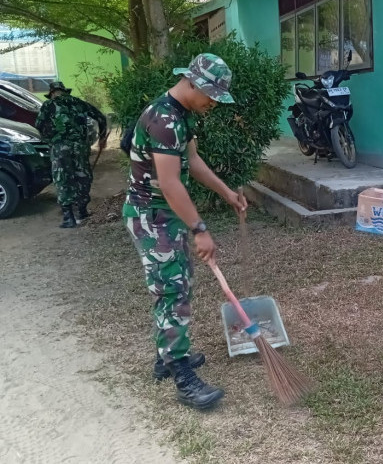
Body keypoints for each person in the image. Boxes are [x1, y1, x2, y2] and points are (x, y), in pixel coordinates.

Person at [123, 53, 247, 410]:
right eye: (211, 95)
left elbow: (191, 163)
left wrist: (227, 194)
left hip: (165, 213)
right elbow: (169, 182)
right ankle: (181, 375)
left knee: (177, 283)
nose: (213, 104)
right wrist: (200, 228)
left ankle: (167, 356)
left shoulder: (181, 115)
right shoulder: (163, 120)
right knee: (172, 289)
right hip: (151, 215)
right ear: (192, 83)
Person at [35, 81, 107, 228]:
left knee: (63, 178)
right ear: (65, 91)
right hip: (80, 146)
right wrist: (102, 138)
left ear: (52, 93)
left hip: (60, 148)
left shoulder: (49, 105)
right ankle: (82, 211)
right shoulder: (79, 103)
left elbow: (39, 125)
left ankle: (68, 217)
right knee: (82, 175)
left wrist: (49, 140)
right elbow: (101, 117)